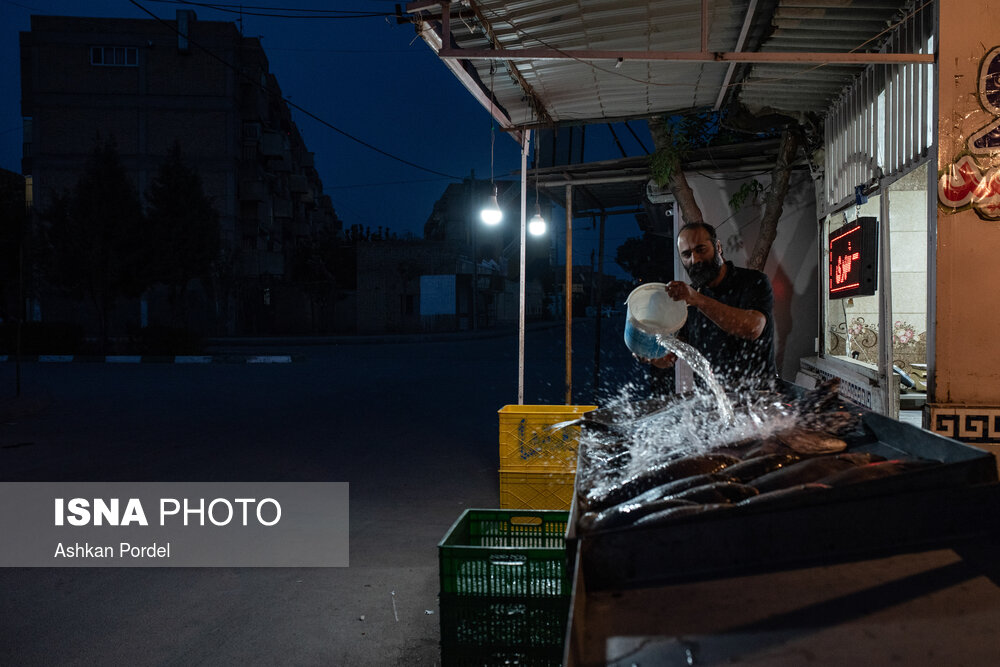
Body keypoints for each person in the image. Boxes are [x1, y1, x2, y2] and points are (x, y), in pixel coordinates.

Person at [639, 221, 777, 392]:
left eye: (701, 250)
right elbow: (671, 356)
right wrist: (652, 355)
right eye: (686, 254)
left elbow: (753, 328)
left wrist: (698, 300)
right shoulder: (688, 300)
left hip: (758, 398)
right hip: (713, 404)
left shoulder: (753, 281)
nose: (695, 259)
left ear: (718, 247)